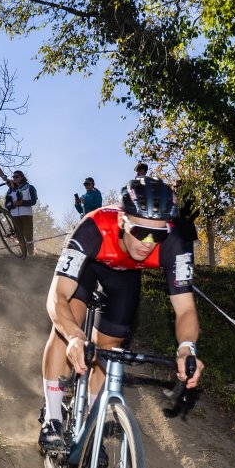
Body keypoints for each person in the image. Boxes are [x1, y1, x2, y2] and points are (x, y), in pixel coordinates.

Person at [39, 176, 204, 451]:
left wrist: (187, 347)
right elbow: (57, 297)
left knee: (109, 351)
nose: (149, 243)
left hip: (126, 278)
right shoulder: (93, 227)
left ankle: (92, 423)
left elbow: (185, 308)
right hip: (89, 267)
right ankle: (53, 418)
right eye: (140, 231)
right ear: (122, 221)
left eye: (158, 234)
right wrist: (75, 336)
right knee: (67, 329)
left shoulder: (176, 243)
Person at [5, 169, 38, 254]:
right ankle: (24, 256)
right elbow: (6, 205)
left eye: (17, 176)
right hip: (15, 216)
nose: (14, 178)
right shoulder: (10, 190)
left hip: (27, 215)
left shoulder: (30, 187)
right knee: (19, 237)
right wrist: (13, 204)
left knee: (28, 236)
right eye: (13, 177)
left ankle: (31, 255)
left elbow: (34, 201)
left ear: (22, 177)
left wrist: (22, 203)